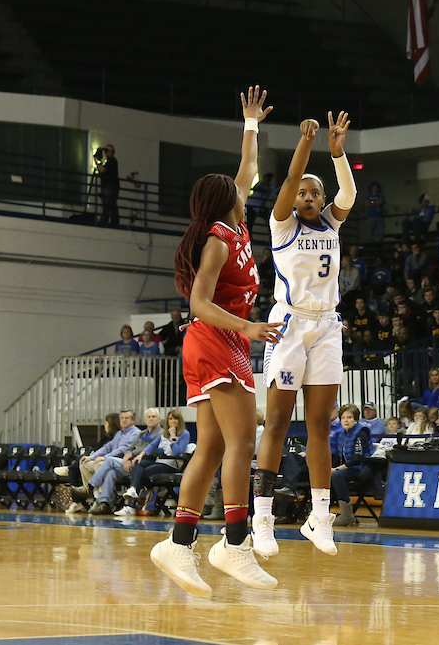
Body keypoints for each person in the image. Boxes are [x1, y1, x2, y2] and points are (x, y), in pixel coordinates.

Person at [151, 84, 282, 597]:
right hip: (214, 338)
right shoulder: (217, 240)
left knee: (210, 446)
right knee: (242, 441)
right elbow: (198, 303)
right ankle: (233, 543)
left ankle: (179, 544)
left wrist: (250, 123)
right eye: (235, 189)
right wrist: (246, 327)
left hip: (214, 342)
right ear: (223, 203)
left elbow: (247, 167)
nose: (244, 188)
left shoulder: (238, 221)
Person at [251, 110, 355, 561]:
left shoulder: (332, 223)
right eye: (304, 192)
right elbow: (293, 176)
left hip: (328, 325)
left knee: (319, 425)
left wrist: (338, 154)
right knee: (276, 422)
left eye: (317, 192)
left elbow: (347, 193)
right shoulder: (282, 224)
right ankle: (262, 517)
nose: (309, 196)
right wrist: (306, 144)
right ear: (295, 200)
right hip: (289, 324)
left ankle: (319, 515)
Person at [87, 409, 162, 514]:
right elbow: (129, 448)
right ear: (145, 420)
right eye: (149, 417)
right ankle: (105, 503)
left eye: (153, 417)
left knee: (109, 461)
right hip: (130, 463)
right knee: (111, 472)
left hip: (145, 464)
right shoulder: (142, 433)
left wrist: (130, 456)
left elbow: (149, 449)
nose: (151, 419)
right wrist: (127, 457)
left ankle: (91, 486)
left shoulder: (161, 433)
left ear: (159, 419)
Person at [119, 409, 191, 516]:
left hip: (171, 464)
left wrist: (173, 436)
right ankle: (133, 490)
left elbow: (177, 451)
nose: (173, 421)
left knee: (142, 473)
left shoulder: (184, 434)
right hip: (159, 462)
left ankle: (132, 504)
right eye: (170, 419)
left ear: (180, 420)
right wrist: (141, 455)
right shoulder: (164, 434)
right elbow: (152, 445)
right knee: (137, 463)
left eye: (175, 418)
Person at [327, 404, 373, 527]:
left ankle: (347, 515)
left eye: (349, 417)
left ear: (356, 419)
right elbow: (338, 457)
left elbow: (357, 459)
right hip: (348, 468)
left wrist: (336, 469)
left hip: (361, 469)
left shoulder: (361, 433)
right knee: (328, 475)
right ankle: (323, 512)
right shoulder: (342, 434)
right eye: (343, 418)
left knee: (337, 475)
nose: (346, 420)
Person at [96, 144, 120, 228]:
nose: (106, 152)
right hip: (110, 186)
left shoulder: (112, 161)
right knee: (111, 204)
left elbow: (102, 170)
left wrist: (97, 161)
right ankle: (113, 221)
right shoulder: (109, 162)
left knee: (108, 204)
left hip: (110, 186)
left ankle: (106, 221)